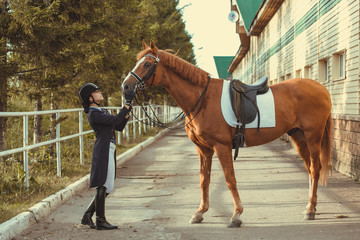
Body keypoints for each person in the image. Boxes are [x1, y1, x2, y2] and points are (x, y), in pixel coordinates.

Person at [78, 83, 135, 230]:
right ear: (90, 98)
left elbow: (118, 126)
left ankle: (87, 215)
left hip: (109, 148)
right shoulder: (94, 113)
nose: (100, 93)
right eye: (96, 92)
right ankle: (100, 220)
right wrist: (126, 105)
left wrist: (127, 113)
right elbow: (115, 120)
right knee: (103, 184)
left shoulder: (101, 111)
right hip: (103, 149)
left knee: (108, 186)